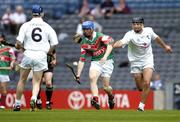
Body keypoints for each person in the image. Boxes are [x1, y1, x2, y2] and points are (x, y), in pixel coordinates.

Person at [113, 17, 172, 111]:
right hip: (135, 62)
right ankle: (142, 89)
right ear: (132, 25)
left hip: (147, 60)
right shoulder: (129, 34)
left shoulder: (149, 31)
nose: (136, 26)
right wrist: (113, 45)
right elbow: (121, 42)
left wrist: (165, 47)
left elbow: (157, 38)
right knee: (139, 83)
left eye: (138, 24)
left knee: (147, 82)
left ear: (142, 25)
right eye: (134, 24)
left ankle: (141, 106)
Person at [13, 4, 58, 111]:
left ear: (32, 13)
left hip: (28, 54)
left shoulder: (25, 25)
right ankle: (33, 98)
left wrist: (18, 46)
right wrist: (48, 52)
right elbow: (54, 43)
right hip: (41, 56)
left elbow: (19, 42)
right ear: (42, 13)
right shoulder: (47, 26)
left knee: (22, 80)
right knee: (37, 81)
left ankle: (17, 104)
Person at [76, 21, 115, 110]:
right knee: (92, 77)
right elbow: (82, 60)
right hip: (96, 62)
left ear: (92, 29)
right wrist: (78, 74)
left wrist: (105, 57)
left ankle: (111, 97)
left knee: (106, 88)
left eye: (87, 29)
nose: (85, 31)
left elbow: (110, 44)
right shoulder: (84, 43)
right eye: (84, 29)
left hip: (107, 61)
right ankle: (96, 99)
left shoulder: (100, 36)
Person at [0, 33, 16, 109]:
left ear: (2, 39)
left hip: (4, 71)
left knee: (3, 89)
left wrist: (12, 63)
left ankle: (2, 105)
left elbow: (13, 58)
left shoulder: (8, 48)